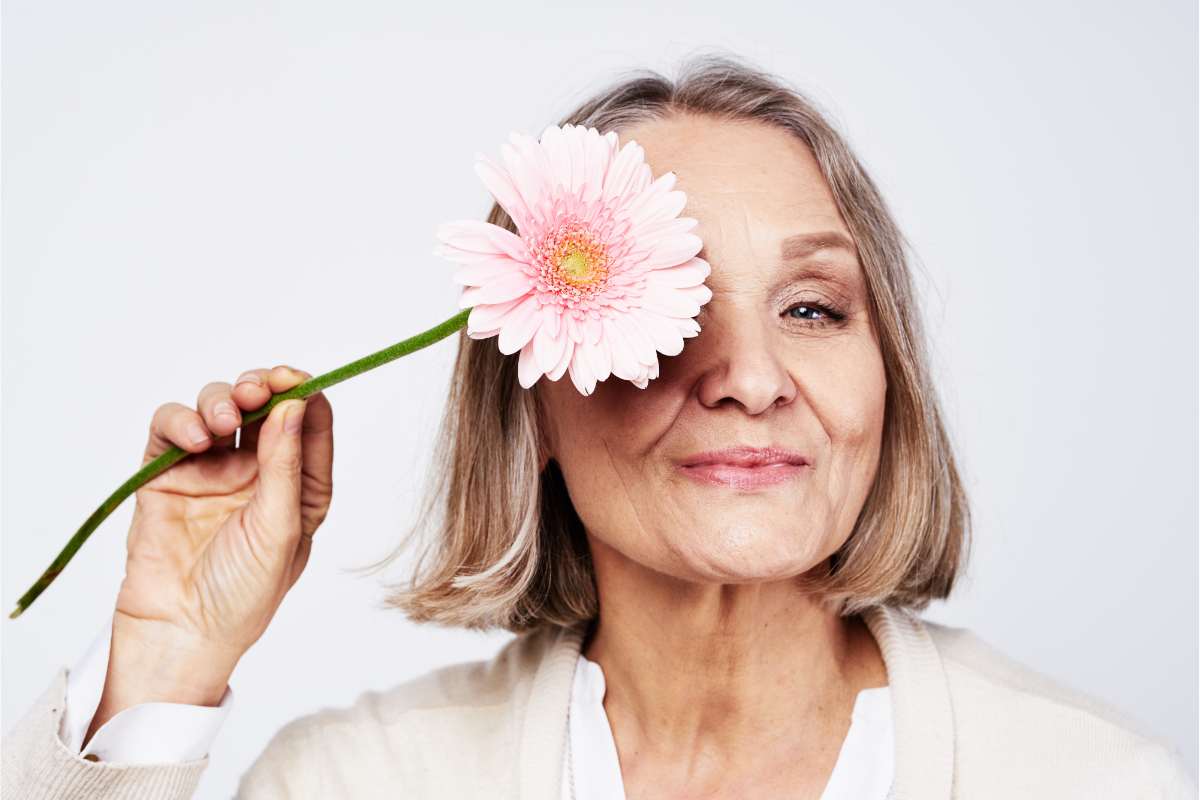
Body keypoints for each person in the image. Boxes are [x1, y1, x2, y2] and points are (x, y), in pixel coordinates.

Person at [3, 53, 1195, 800]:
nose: (751, 377)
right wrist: (163, 668)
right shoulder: (357, 781)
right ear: (536, 400)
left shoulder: (1091, 783)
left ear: (891, 384)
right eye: (674, 318)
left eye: (814, 307)